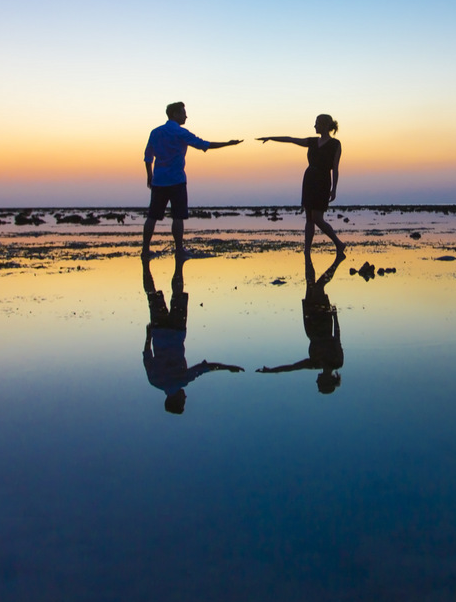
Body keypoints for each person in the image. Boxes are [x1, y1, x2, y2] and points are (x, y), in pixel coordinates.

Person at [141, 255, 242, 414]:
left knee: (177, 293)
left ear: (176, 400)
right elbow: (147, 355)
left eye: (183, 401)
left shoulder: (181, 380)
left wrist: (227, 367)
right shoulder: (154, 381)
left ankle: (178, 260)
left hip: (177, 331)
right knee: (152, 294)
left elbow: (204, 368)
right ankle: (146, 262)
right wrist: (149, 335)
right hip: (159, 332)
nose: (185, 397)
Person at [143, 101, 241, 257]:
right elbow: (203, 144)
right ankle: (179, 250)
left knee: (152, 216)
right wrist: (227, 144)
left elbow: (148, 156)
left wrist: (149, 176)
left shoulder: (155, 132)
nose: (186, 116)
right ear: (175, 114)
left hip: (159, 180)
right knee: (178, 216)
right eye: (183, 113)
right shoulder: (181, 133)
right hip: (176, 180)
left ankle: (145, 250)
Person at [257, 251, 346, 393]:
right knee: (318, 287)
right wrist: (335, 316)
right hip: (323, 321)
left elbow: (291, 367)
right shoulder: (337, 362)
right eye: (319, 383)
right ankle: (338, 260)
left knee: (310, 283)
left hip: (310, 323)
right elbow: (337, 338)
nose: (316, 380)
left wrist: (271, 370)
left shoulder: (314, 364)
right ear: (327, 381)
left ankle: (307, 252)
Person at [258, 114, 345, 254]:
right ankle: (307, 251)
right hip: (309, 180)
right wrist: (271, 138)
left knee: (317, 218)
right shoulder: (312, 141)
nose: (314, 126)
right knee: (309, 218)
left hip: (323, 181)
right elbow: (291, 139)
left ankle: (338, 244)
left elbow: (335, 168)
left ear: (324, 125)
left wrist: (334, 189)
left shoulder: (335, 144)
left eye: (317, 123)